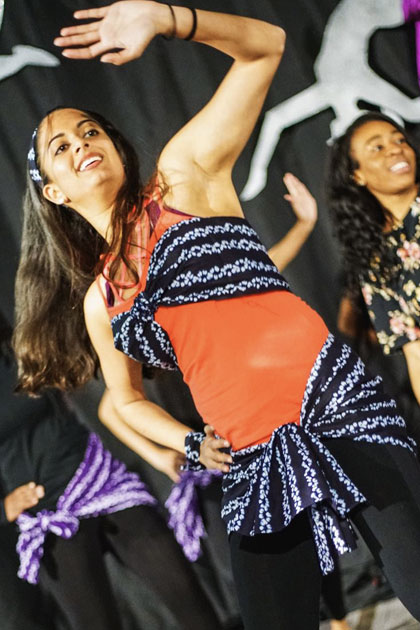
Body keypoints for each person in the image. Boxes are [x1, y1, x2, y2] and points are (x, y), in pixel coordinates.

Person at [12, 3, 420, 629]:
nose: (82, 144)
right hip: (253, 454)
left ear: (117, 147)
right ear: (54, 193)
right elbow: (121, 400)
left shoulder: (184, 178)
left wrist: (167, 18)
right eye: (61, 146)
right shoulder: (102, 299)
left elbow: (266, 46)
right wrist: (189, 443)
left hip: (337, 403)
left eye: (91, 131)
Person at [0, 313, 222, 630]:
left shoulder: (25, 346)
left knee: (185, 591)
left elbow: (98, 374)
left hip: (101, 479)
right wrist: (4, 508)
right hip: (49, 512)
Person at [327, 112, 420, 405]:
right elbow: (414, 351)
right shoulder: (375, 260)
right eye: (376, 147)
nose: (396, 148)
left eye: (400, 140)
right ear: (357, 175)